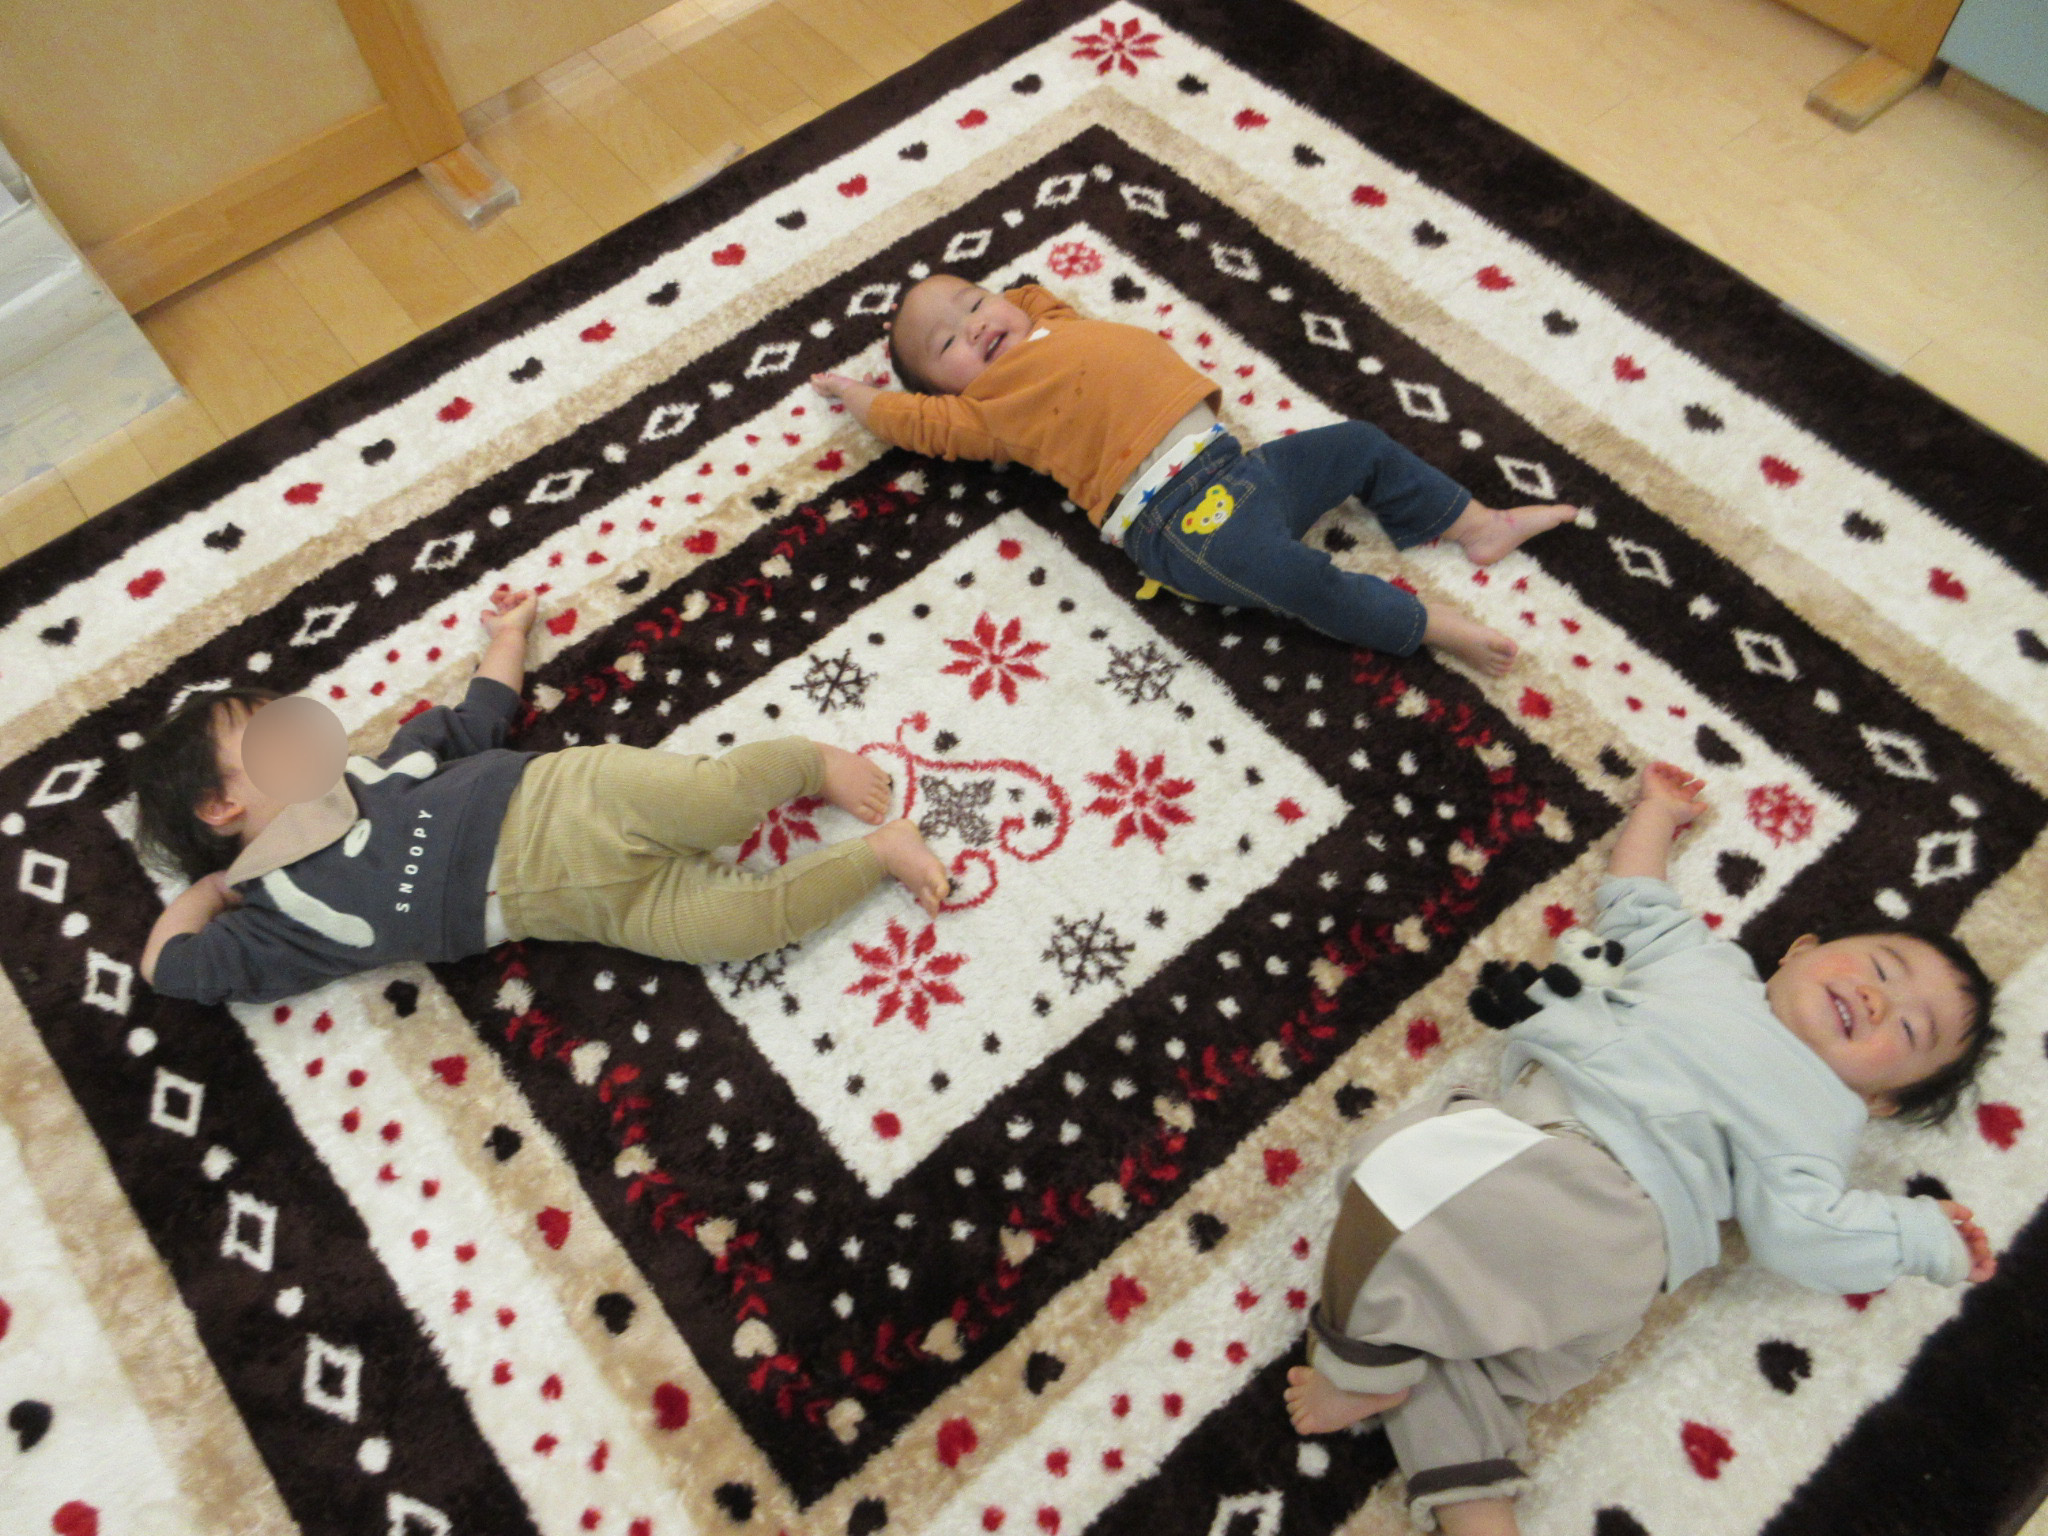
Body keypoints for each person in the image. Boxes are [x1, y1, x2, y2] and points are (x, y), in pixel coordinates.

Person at [1283, 762, 2001, 1535]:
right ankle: (1480, 1514)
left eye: (1910, 1030)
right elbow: (1638, 902)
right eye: (1882, 967)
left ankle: (1356, 1365)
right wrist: (1656, 816)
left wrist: (1922, 1237)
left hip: (1590, 1188)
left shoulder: (1821, 1121)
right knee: (1457, 1366)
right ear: (1797, 951)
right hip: (1601, 1281)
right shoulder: (1707, 968)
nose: (1877, 998)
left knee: (1399, 1168)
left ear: (1879, 1102)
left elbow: (1810, 1232)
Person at [134, 586, 949, 1006]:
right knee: (740, 928)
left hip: (573, 798)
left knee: (718, 800)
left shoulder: (376, 773)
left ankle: (809, 763)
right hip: (593, 908)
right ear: (219, 805)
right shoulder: (279, 914)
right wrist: (214, 890)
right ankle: (880, 855)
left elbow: (476, 719)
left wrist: (509, 639)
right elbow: (170, 967)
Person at [809, 275, 1579, 676]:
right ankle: (1421, 625)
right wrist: (856, 393)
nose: (973, 324)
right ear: (947, 390)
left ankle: (1477, 524)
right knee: (1294, 575)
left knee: (1359, 443)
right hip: (1176, 521)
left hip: (1238, 464)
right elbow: (907, 420)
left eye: (973, 303)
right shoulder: (987, 410)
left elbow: (1027, 295)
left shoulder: (1056, 324)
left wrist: (994, 309)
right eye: (947, 343)